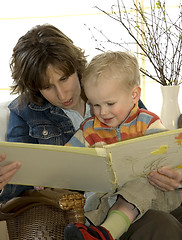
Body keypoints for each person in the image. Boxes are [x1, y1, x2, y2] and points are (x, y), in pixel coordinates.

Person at [0, 24, 181, 239]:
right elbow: (18, 183)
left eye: (65, 78)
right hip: (92, 208)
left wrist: (175, 177)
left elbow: (152, 149)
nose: (62, 93)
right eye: (47, 87)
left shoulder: (108, 84)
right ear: (34, 88)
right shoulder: (25, 112)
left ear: (76, 68)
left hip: (142, 194)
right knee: (162, 225)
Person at [64, 51, 182, 240]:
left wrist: (174, 173)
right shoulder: (88, 130)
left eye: (110, 103)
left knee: (139, 183)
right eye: (95, 105)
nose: (102, 112)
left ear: (134, 94)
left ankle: (106, 233)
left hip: (151, 197)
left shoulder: (148, 123)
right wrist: (43, 176)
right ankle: (100, 231)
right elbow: (64, 158)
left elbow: (171, 159)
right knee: (96, 203)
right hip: (106, 203)